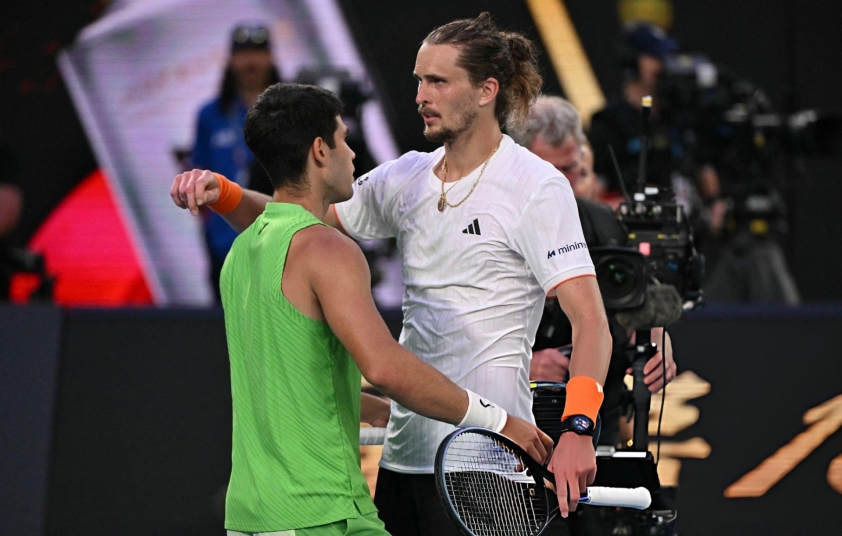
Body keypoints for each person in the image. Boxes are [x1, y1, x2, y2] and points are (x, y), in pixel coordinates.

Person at [172, 13, 611, 532]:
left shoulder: (536, 185)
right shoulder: (406, 176)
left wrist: (578, 428)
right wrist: (223, 194)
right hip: (403, 461)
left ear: (486, 90)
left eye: (438, 81)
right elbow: (295, 221)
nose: (421, 96)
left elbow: (590, 320)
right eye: (419, 81)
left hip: (487, 460)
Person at [513, 95, 677, 447]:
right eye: (552, 173)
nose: (567, 183)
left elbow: (644, 296)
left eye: (573, 169)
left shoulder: (603, 222)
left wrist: (656, 338)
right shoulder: (489, 230)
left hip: (599, 419)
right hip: (510, 422)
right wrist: (522, 366)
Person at [192, 24, 282, 301]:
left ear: (270, 58)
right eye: (243, 53)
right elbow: (198, 174)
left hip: (281, 242)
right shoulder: (210, 116)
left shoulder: (290, 110)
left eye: (258, 52)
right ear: (230, 60)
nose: (250, 61)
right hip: (226, 242)